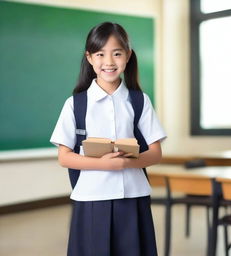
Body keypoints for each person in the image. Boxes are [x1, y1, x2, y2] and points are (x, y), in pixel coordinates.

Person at [50, 22, 166, 256]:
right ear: (90, 57)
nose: (109, 62)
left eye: (117, 53)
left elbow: (155, 152)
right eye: (100, 54)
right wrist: (105, 164)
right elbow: (64, 157)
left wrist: (125, 163)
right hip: (91, 198)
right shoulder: (76, 104)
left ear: (128, 56)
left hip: (133, 196)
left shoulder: (139, 101)